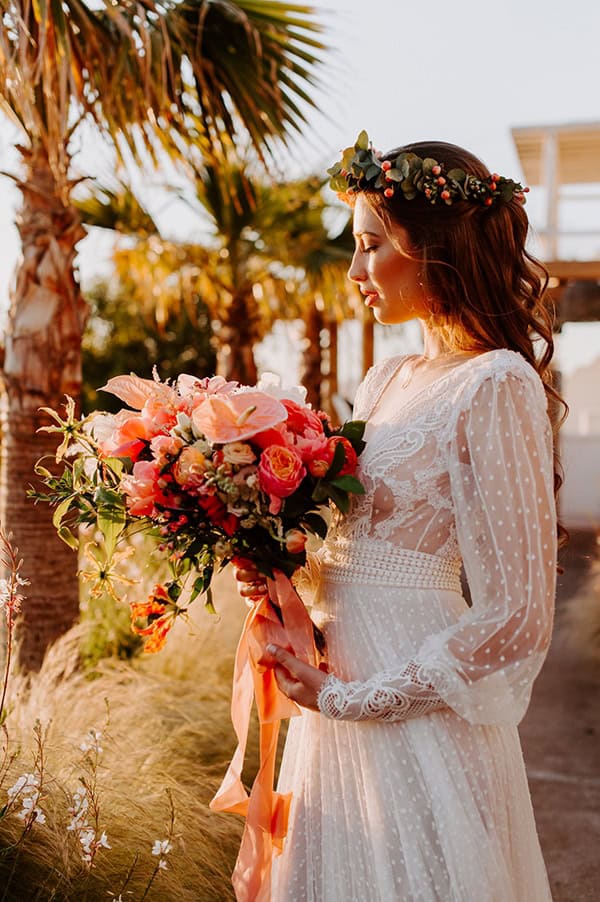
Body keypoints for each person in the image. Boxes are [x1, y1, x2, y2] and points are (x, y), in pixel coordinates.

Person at [235, 134, 563, 902]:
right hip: (334, 697)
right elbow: (360, 546)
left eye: (371, 245)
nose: (355, 271)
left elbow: (519, 615)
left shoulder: (498, 383)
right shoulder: (384, 382)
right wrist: (280, 568)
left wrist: (356, 698)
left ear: (435, 248)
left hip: (412, 715)